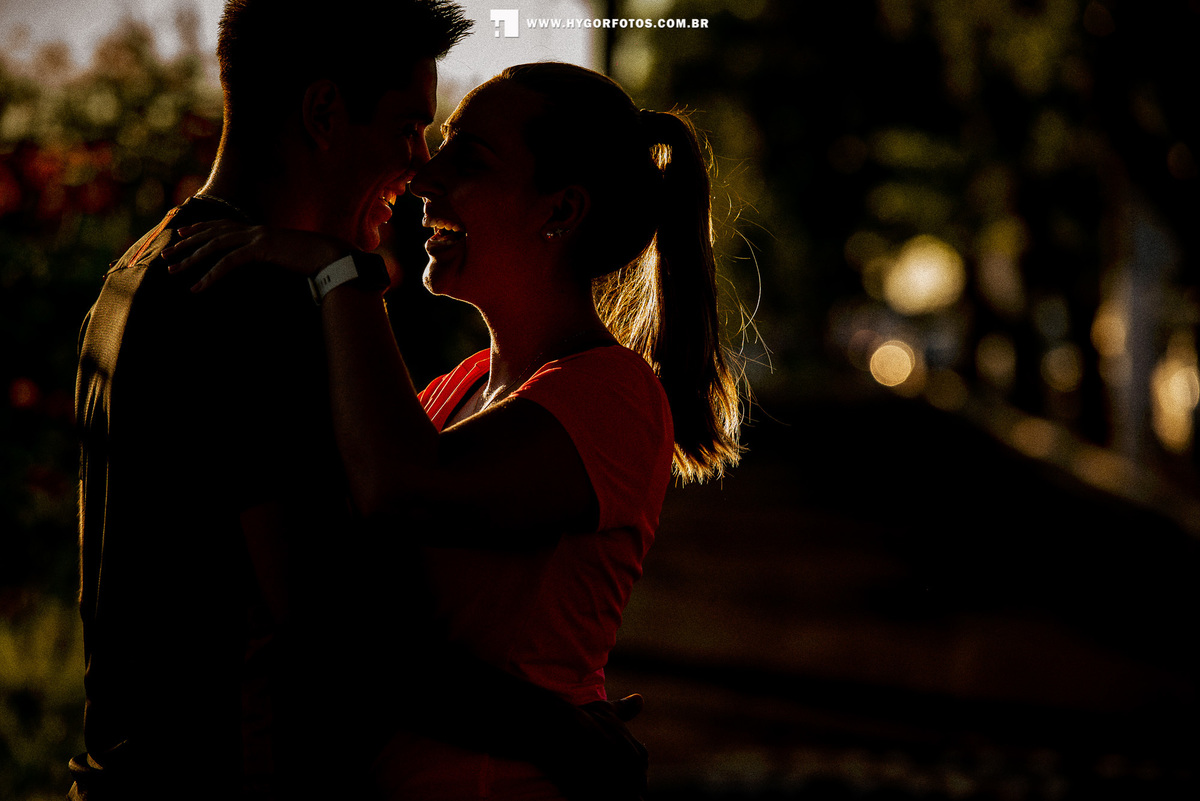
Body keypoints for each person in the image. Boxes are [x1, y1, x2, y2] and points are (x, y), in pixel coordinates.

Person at [72, 1, 646, 798]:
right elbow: (334, 625)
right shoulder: (258, 301)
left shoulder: (139, 268)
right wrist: (562, 730)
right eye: (412, 129)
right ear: (323, 113)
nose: (421, 168)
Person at [167, 61, 745, 799]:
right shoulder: (458, 387)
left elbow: (398, 485)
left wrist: (342, 274)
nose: (424, 178)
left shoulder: (613, 395)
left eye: (467, 159)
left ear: (562, 211)